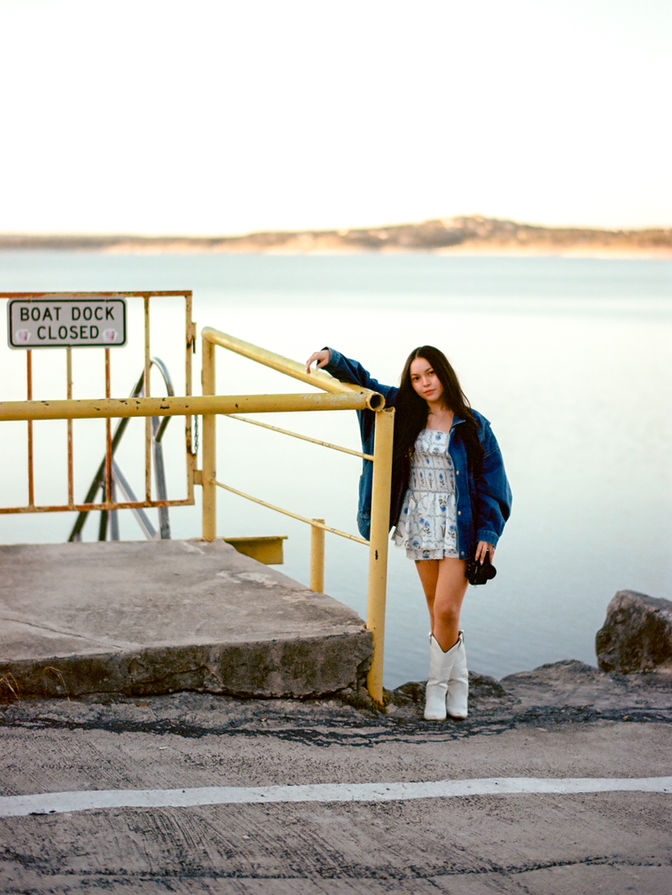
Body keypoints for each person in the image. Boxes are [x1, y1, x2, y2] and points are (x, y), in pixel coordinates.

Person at [305, 345, 512, 721]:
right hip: (419, 521)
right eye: (416, 377)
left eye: (429, 374)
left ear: (443, 373)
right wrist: (332, 359)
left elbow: (493, 481)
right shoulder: (403, 410)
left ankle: (439, 688)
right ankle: (458, 680)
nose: (424, 383)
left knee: (447, 609)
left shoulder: (472, 424)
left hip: (458, 524)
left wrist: (488, 532)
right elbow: (364, 384)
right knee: (434, 608)